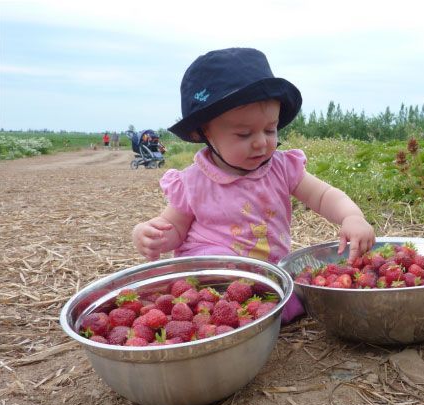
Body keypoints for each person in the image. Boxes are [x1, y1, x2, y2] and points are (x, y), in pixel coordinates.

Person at [132, 48, 375, 323]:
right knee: (195, 299)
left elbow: (323, 195)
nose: (261, 142)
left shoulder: (282, 168)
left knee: (301, 296)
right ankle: (214, 320)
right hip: (209, 278)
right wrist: (154, 236)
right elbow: (174, 226)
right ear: (203, 133)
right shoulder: (194, 182)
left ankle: (250, 319)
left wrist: (351, 216)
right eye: (244, 134)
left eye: (270, 130)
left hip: (265, 277)